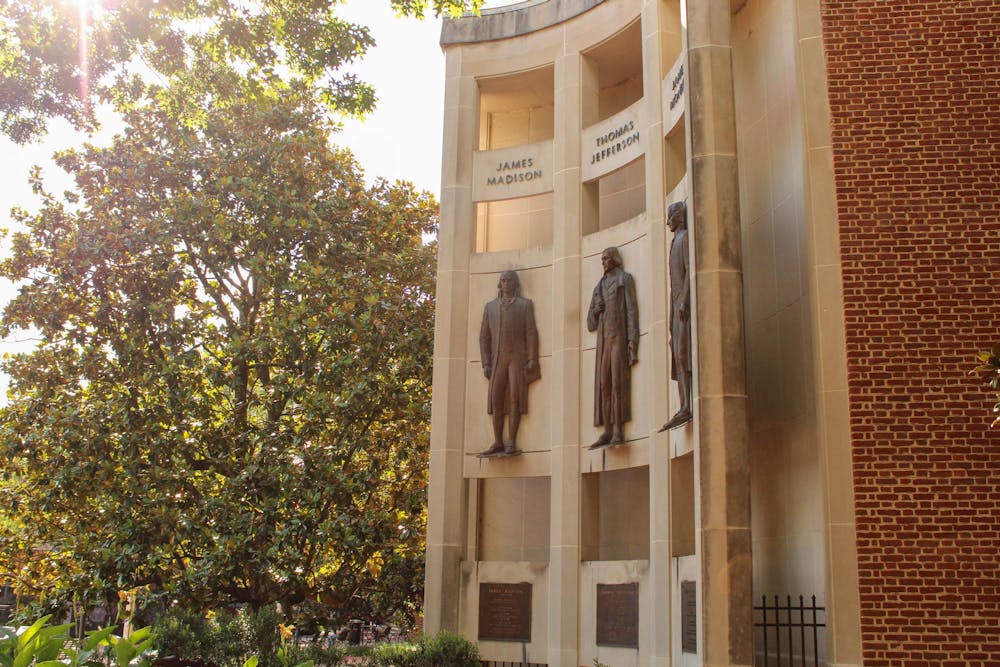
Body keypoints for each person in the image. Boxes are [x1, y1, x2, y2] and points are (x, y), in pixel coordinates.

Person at [479, 270, 540, 456]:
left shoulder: (525, 305)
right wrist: (486, 363)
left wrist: (532, 358)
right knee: (496, 399)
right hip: (498, 360)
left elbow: (531, 333)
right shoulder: (490, 307)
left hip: (517, 358)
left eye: (509, 280)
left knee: (515, 398)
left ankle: (511, 441)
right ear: (500, 283)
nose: (506, 283)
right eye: (503, 280)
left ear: (515, 284)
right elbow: (484, 337)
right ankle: (498, 441)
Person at [587, 247, 639, 448]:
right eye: (601, 259)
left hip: (618, 337)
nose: (603, 262)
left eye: (606, 258)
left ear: (615, 259)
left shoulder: (624, 281)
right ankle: (607, 430)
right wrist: (596, 311)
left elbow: (631, 312)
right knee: (604, 386)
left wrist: (632, 342)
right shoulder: (598, 287)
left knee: (617, 385)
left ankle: (618, 430)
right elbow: (590, 323)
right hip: (605, 343)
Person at [661, 201, 693, 431]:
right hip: (675, 308)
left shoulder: (684, 239)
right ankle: (684, 405)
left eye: (670, 217)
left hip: (683, 306)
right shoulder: (674, 241)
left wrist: (684, 300)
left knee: (683, 354)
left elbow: (690, 269)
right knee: (678, 354)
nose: (667, 221)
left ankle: (687, 406)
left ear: (679, 217)